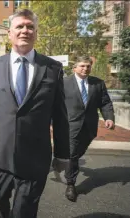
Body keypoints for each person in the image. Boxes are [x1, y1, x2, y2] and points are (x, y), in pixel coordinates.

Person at [0, 9, 70, 218]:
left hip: (35, 156)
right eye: (20, 26)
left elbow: (60, 116)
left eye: (30, 26)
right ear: (10, 33)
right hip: (0, 153)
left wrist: (62, 154)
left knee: (24, 211)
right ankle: (2, 201)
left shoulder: (53, 68)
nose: (25, 30)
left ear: (36, 32)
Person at [52, 56, 115, 202]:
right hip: (69, 125)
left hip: (89, 127)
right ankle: (71, 184)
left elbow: (105, 102)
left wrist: (109, 118)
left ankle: (62, 161)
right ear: (74, 68)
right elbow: (54, 103)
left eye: (88, 66)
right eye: (82, 66)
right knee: (73, 154)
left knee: (78, 151)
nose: (85, 68)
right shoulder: (63, 83)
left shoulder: (97, 83)